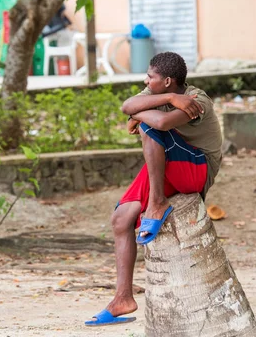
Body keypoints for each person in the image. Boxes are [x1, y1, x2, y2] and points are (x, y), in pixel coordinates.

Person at [85, 52, 223, 327]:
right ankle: (122, 298)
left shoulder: (198, 100)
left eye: (151, 77)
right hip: (168, 164)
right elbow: (127, 106)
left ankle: (158, 201)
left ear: (168, 80)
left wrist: (139, 116)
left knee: (151, 126)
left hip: (197, 169)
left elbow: (160, 123)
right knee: (121, 218)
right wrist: (168, 99)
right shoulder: (162, 93)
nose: (145, 80)